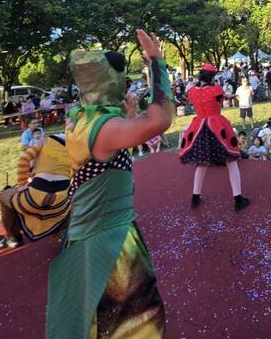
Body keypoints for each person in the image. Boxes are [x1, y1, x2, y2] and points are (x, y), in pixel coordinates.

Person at [46, 30, 172, 339]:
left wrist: (128, 116)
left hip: (93, 233)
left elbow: (107, 154)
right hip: (108, 241)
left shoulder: (83, 118)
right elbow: (160, 120)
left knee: (97, 321)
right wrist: (157, 63)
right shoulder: (104, 128)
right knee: (134, 321)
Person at [179, 63, 250, 211]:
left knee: (201, 164)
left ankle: (195, 197)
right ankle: (238, 199)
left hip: (199, 128)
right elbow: (221, 100)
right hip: (217, 127)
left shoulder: (192, 91)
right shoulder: (216, 89)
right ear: (212, 77)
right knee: (231, 162)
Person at [0, 131, 72, 248]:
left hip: (33, 198)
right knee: (69, 204)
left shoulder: (43, 141)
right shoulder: (76, 150)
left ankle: (12, 236)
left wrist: (22, 183)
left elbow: (24, 159)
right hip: (60, 203)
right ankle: (60, 233)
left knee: (5, 197)